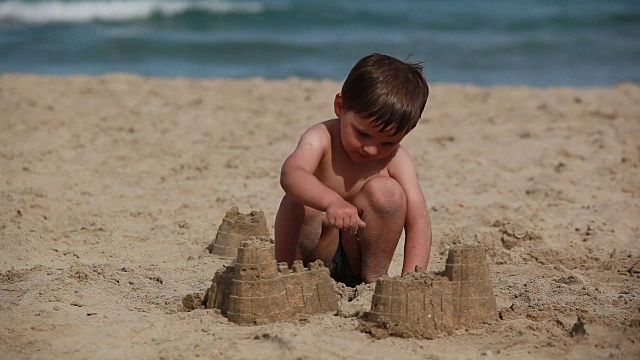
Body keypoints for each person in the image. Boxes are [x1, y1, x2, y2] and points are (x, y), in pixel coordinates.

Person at [274, 53, 432, 287]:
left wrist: (412, 278)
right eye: (363, 134)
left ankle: (373, 280)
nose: (371, 149)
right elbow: (291, 173)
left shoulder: (397, 159)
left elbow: (419, 221)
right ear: (340, 106)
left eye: (387, 142)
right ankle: (287, 274)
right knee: (301, 199)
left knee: (388, 192)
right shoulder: (322, 137)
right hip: (315, 252)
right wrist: (330, 201)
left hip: (360, 257)